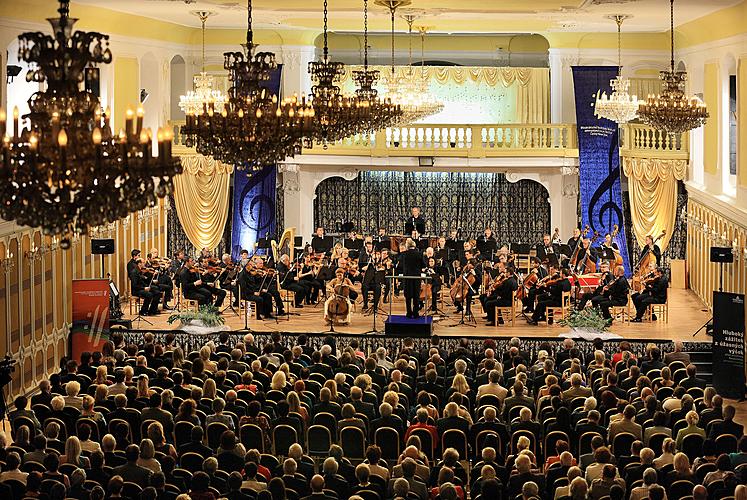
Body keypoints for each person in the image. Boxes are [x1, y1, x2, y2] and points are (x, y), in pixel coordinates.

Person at [401, 239, 423, 319]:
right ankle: (416, 313)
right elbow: (423, 265)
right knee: (416, 295)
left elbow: (400, 265)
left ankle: (409, 313)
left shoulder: (404, 254)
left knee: (408, 296)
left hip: (407, 277)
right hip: (416, 277)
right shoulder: (419, 254)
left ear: (407, 246)